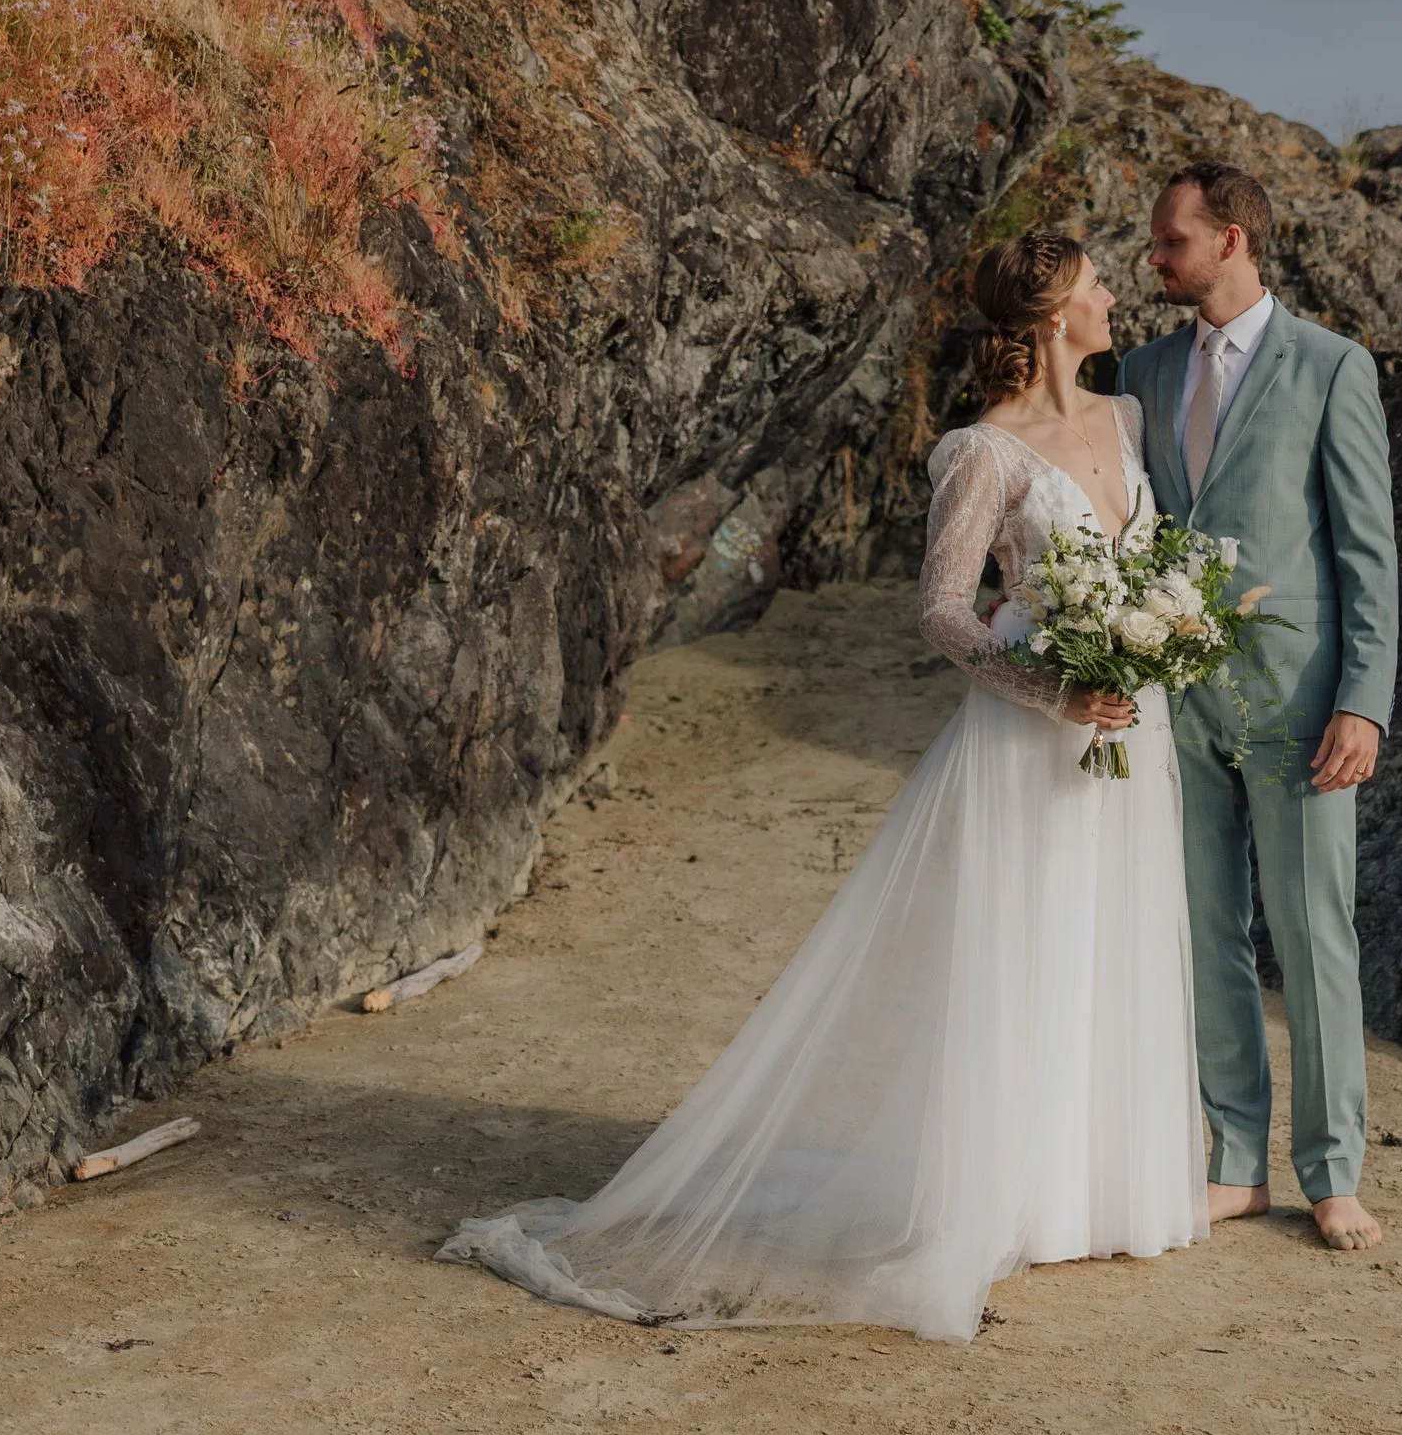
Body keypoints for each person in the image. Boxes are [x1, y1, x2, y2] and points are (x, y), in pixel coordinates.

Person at [439, 229, 1207, 1340]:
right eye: (1096, 283)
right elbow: (943, 609)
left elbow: (1139, 561)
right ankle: (1015, 1197)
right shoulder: (984, 451)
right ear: (1052, 316)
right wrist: (1051, 688)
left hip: (1132, 720)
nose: (1112, 295)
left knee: (1114, 936)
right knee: (1030, 945)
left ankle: (1099, 1190)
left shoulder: (1125, 417)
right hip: (1033, 730)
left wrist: (1154, 638)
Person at [1120, 161, 1399, 1251]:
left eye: (1169, 240)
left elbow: (1365, 550)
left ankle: (1333, 1172)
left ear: (1231, 239)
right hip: (1173, 701)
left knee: (1313, 931)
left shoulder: (1333, 368)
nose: (1155, 257)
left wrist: (1363, 701)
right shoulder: (1138, 370)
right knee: (1202, 931)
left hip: (1300, 702)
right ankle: (1234, 1162)